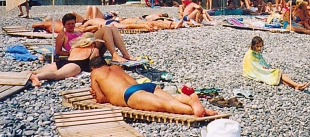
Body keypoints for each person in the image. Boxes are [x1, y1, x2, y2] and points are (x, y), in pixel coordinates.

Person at [89, 57, 217, 117]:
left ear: (92, 68)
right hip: (145, 86)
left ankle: (199, 110)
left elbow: (100, 98)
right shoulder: (116, 67)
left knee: (165, 106)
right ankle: (190, 101)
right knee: (170, 99)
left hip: (130, 94)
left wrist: (104, 96)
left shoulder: (94, 73)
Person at [29, 32, 102, 87]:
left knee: (36, 71)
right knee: (56, 75)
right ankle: (37, 77)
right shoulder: (94, 50)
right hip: (75, 65)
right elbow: (93, 63)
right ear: (92, 42)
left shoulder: (74, 48)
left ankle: (27, 74)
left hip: (64, 61)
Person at [55, 13, 134, 63]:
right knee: (106, 29)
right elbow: (58, 51)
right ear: (64, 25)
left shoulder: (78, 30)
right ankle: (114, 55)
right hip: (84, 53)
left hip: (92, 48)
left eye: (72, 23)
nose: (71, 26)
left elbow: (88, 34)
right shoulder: (62, 35)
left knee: (112, 27)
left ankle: (125, 54)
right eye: (68, 24)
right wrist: (70, 53)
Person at [242, 36, 309, 90]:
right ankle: (296, 85)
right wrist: (264, 69)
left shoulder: (255, 52)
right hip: (254, 72)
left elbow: (259, 63)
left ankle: (295, 86)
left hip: (258, 70)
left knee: (279, 78)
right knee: (278, 73)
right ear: (253, 45)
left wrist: (264, 67)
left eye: (261, 46)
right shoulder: (250, 54)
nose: (259, 48)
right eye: (257, 46)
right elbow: (253, 65)